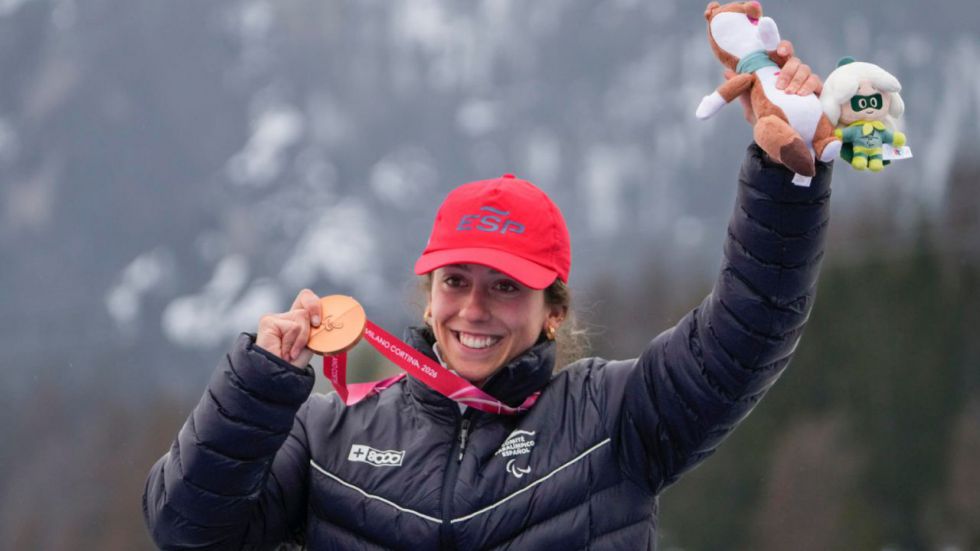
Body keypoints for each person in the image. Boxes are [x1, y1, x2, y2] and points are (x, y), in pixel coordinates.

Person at [143, 42, 831, 550]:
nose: (473, 308)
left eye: (506, 286)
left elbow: (747, 333)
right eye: (456, 281)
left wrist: (785, 177)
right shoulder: (325, 434)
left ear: (553, 310)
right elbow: (186, 528)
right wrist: (258, 385)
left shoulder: (614, 418)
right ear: (429, 292)